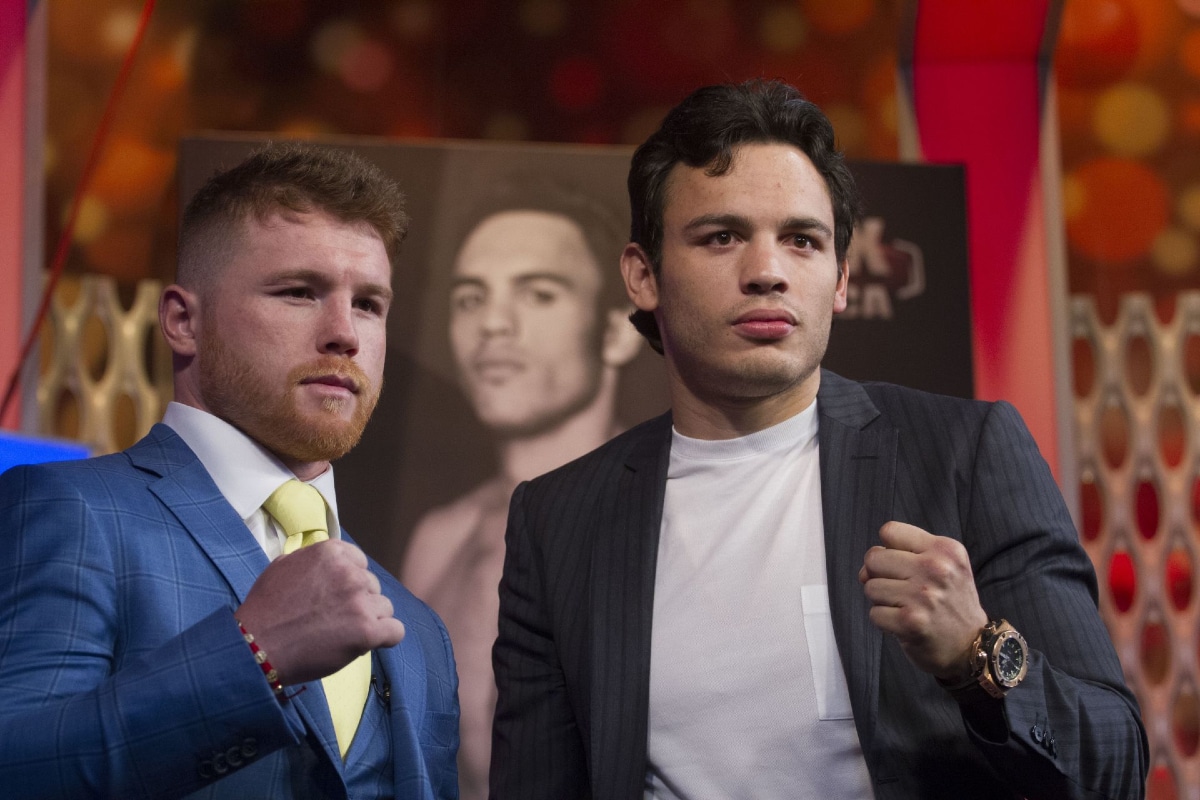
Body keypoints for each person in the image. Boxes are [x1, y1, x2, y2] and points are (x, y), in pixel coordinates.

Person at [489, 80, 1148, 800]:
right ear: (644, 275)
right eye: (722, 237)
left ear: (839, 277)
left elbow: (1113, 765)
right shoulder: (558, 520)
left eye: (802, 240)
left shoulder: (967, 453)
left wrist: (976, 654)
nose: (767, 272)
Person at [0, 143, 459, 799]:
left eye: (369, 304)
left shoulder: (419, 631)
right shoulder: (71, 512)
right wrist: (254, 655)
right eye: (300, 292)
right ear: (184, 321)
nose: (345, 334)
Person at [402, 181, 643, 800]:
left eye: (538, 294)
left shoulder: (669, 522)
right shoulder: (440, 535)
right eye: (469, 298)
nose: (493, 325)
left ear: (617, 333)